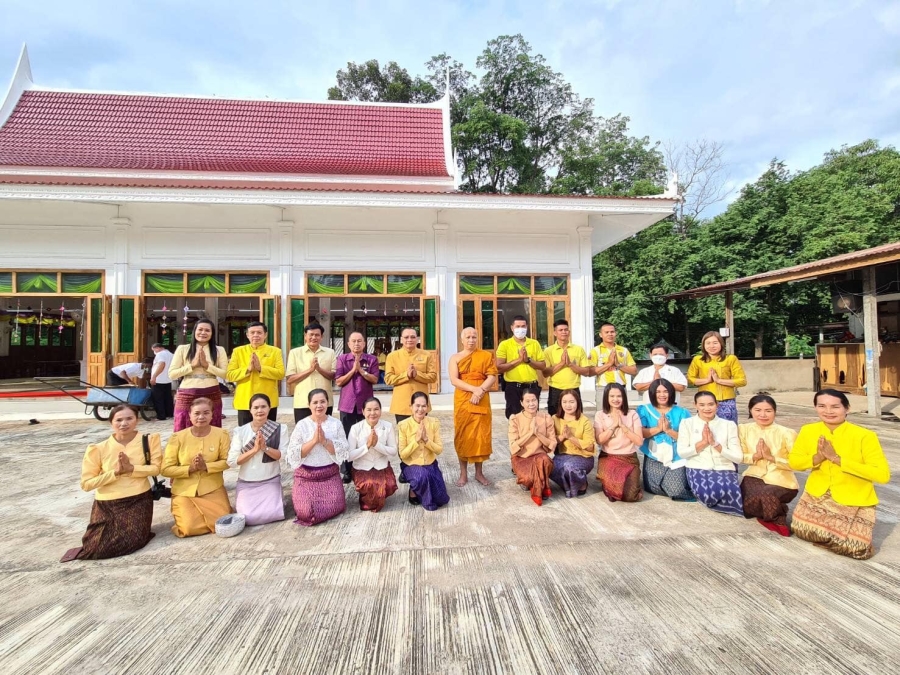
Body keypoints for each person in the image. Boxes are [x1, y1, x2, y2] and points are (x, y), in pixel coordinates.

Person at [789, 389, 891, 559]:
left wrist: (837, 460)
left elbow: (882, 475)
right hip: (817, 495)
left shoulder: (865, 436)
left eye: (835, 407)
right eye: (822, 406)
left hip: (853, 497)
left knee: (857, 550)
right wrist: (817, 457)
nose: (828, 411)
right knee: (802, 531)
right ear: (815, 407)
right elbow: (794, 462)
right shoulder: (808, 430)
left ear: (847, 409)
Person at [60, 405, 161, 562]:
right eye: (118, 420)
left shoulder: (148, 440)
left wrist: (132, 468)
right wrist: (115, 473)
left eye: (129, 418)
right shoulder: (98, 448)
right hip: (108, 503)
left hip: (138, 498)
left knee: (133, 542)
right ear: (111, 423)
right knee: (95, 548)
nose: (124, 423)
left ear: (137, 420)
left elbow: (156, 469)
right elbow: (86, 484)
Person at [161, 397, 233, 537]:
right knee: (188, 529)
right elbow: (165, 469)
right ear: (189, 415)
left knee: (222, 525)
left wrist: (206, 466)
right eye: (197, 413)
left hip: (212, 487)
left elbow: (227, 461)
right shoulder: (177, 438)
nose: (201, 417)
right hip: (184, 490)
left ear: (212, 414)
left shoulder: (221, 435)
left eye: (206, 413)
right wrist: (190, 468)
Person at [737, 393, 798, 536]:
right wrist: (755, 456)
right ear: (750, 411)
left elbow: (797, 464)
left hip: (781, 479)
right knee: (744, 506)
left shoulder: (787, 433)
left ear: (775, 412)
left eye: (768, 411)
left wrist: (772, 458)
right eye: (758, 410)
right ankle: (775, 508)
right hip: (754, 475)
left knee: (767, 494)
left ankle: (778, 520)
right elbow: (740, 456)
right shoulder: (743, 429)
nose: (763, 415)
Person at [287, 388, 349, 526]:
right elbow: (294, 453)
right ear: (309, 405)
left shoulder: (336, 424)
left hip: (329, 475)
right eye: (315, 402)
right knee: (305, 513)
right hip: (306, 477)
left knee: (336, 506)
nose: (319, 405)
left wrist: (325, 442)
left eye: (322, 401)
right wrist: (314, 441)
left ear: (327, 403)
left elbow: (343, 450)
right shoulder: (302, 425)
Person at [677, 392, 744, 516]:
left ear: (717, 405)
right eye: (702, 405)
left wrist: (715, 444)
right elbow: (682, 453)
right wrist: (702, 443)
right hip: (698, 467)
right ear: (695, 405)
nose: (707, 408)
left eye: (710, 404)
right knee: (710, 494)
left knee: (732, 492)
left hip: (724, 467)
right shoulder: (687, 423)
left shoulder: (728, 425)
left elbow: (738, 458)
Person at [385, 327, 437, 482]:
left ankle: (422, 466)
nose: (409, 340)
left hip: (421, 405)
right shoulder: (393, 356)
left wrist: (417, 374)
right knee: (405, 439)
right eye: (406, 337)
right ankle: (405, 469)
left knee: (422, 436)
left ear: (418, 339)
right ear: (401, 339)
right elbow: (388, 379)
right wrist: (405, 375)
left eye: (413, 337)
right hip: (402, 403)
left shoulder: (426, 355)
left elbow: (433, 377)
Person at [227, 393, 287, 527]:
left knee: (274, 514)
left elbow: (283, 456)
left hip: (270, 480)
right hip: (247, 483)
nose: (260, 410)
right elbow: (232, 461)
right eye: (256, 407)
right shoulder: (240, 431)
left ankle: (277, 497)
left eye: (263, 407)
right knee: (247, 519)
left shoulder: (280, 429)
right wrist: (254, 450)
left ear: (269, 408)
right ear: (250, 410)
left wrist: (265, 448)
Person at [450, 327, 498, 487]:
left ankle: (479, 473)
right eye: (468, 337)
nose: (471, 340)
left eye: (474, 337)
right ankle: (463, 474)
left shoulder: (485, 355)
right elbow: (454, 380)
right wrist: (474, 390)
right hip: (464, 399)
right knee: (463, 434)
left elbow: (492, 375)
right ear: (462, 340)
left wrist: (481, 390)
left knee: (480, 435)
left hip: (481, 398)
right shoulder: (455, 358)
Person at [334, 331, 380, 483]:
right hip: (347, 404)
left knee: (365, 435)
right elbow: (339, 381)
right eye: (353, 341)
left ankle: (363, 467)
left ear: (364, 343)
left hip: (365, 405)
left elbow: (374, 379)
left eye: (359, 341)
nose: (356, 344)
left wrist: (361, 371)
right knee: (346, 437)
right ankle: (346, 470)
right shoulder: (342, 359)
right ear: (348, 344)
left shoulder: (372, 359)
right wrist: (353, 370)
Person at [168, 319, 229, 431]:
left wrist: (207, 366)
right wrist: (192, 365)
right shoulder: (183, 349)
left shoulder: (219, 350)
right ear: (194, 331)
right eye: (200, 329)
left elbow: (226, 374)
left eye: (207, 330)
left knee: (212, 423)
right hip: (187, 391)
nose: (203, 333)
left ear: (212, 333)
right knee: (183, 423)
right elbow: (172, 374)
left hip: (211, 390)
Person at [637, 379, 693, 501]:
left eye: (665, 391)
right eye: (658, 392)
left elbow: (689, 438)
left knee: (676, 490)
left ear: (671, 393)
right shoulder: (644, 410)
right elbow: (641, 433)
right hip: (654, 456)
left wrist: (668, 430)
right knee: (652, 487)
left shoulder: (682, 412)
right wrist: (658, 428)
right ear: (652, 393)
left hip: (678, 457)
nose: (662, 395)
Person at [226, 321, 285, 427]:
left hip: (268, 400)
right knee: (246, 435)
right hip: (245, 400)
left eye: (259, 332)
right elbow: (230, 375)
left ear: (265, 335)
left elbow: (280, 374)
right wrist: (247, 369)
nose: (256, 335)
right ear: (247, 335)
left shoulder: (275, 351)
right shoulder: (238, 351)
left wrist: (260, 368)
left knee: (268, 435)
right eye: (252, 332)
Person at [397, 392, 450, 511]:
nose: (420, 409)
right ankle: (413, 488)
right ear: (411, 407)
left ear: (427, 408)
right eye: (417, 406)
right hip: (411, 465)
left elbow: (439, 450)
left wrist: (426, 440)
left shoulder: (434, 422)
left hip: (430, 464)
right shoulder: (403, 425)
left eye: (424, 406)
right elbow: (403, 454)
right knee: (422, 476)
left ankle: (421, 487)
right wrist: (416, 441)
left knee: (441, 499)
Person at [594, 383, 644, 502]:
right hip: (608, 457)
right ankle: (609, 484)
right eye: (612, 396)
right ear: (607, 397)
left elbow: (639, 441)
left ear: (624, 398)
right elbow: (599, 440)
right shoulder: (600, 415)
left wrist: (622, 426)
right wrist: (614, 425)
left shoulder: (632, 414)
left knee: (631, 496)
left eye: (619, 396)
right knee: (614, 490)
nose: (615, 399)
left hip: (629, 458)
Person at [347, 397, 399, 512]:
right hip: (362, 467)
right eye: (369, 410)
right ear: (363, 411)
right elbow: (349, 456)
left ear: (380, 411)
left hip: (381, 466)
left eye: (376, 409)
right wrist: (367, 446)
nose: (372, 413)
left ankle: (376, 495)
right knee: (369, 484)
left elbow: (393, 451)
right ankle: (370, 495)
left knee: (389, 485)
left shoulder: (387, 426)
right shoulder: (355, 428)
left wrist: (376, 445)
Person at [508, 389, 557, 506]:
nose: (531, 404)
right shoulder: (515, 419)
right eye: (527, 401)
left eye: (534, 400)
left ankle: (538, 486)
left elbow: (552, 444)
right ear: (521, 403)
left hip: (540, 456)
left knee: (545, 460)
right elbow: (513, 447)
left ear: (538, 401)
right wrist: (530, 433)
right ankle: (532, 483)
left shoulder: (545, 418)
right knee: (528, 478)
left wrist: (538, 434)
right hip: (522, 458)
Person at [687, 331, 746, 424]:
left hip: (727, 402)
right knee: (706, 428)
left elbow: (742, 381)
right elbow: (690, 379)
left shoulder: (731, 359)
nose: (712, 346)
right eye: (708, 343)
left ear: (721, 344)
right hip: (705, 402)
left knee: (728, 430)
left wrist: (719, 380)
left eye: (715, 343)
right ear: (703, 345)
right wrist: (706, 380)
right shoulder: (697, 360)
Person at [495, 315, 546, 419]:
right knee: (514, 418)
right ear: (512, 328)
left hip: (532, 387)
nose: (520, 329)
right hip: (513, 388)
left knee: (533, 417)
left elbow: (543, 365)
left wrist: (528, 360)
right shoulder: (505, 345)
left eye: (523, 326)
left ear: (527, 327)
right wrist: (519, 360)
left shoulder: (534, 343)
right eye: (517, 326)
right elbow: (499, 368)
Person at [286, 322, 336, 423]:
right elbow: (290, 379)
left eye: (317, 335)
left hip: (324, 403)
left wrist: (319, 369)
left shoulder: (330, 352)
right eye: (311, 335)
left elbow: (334, 376)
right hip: (302, 402)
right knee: (304, 434)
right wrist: (310, 370)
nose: (314, 337)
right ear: (305, 336)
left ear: (321, 337)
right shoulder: (295, 353)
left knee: (325, 432)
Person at [549, 389, 595, 498]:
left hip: (583, 457)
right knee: (548, 466)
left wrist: (571, 437)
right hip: (563, 456)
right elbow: (550, 441)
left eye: (571, 402)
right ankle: (568, 482)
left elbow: (589, 447)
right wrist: (563, 436)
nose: (568, 405)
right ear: (560, 403)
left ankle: (582, 483)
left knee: (570, 467)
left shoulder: (584, 421)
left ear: (578, 402)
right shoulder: (555, 418)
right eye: (564, 402)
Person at [542, 319, 590, 416]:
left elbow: (587, 371)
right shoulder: (548, 351)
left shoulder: (578, 349)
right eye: (561, 330)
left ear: (569, 332)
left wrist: (570, 365)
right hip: (556, 390)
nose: (564, 332)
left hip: (574, 389)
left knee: (576, 419)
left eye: (566, 330)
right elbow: (545, 373)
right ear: (555, 333)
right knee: (555, 419)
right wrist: (561, 363)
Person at [588, 322, 637, 391]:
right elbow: (590, 372)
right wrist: (608, 364)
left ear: (615, 333)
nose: (610, 334)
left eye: (612, 332)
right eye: (606, 332)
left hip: (621, 387)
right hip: (603, 387)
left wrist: (618, 365)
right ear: (600, 335)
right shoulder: (595, 350)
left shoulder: (623, 350)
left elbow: (634, 371)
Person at [149, 344, 174, 421]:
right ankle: (169, 414)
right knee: (167, 397)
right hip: (168, 379)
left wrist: (154, 376)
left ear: (158, 348)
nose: (154, 352)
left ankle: (161, 416)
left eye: (154, 350)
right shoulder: (171, 354)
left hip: (159, 379)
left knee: (158, 398)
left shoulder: (160, 354)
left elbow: (161, 364)